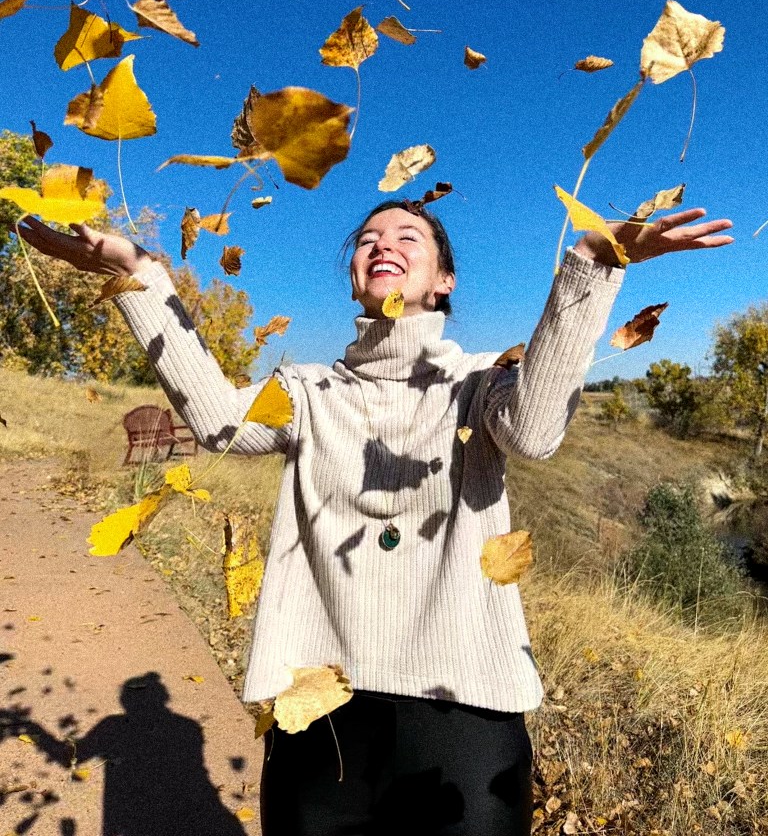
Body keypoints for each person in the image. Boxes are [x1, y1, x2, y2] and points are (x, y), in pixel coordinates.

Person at [19, 201, 732, 836]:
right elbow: (216, 422)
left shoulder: (483, 384)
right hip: (321, 718)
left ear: (443, 281)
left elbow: (535, 431)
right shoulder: (306, 391)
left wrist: (591, 265)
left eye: (407, 235)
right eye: (367, 238)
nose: (382, 243)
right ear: (356, 277)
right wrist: (141, 276)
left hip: (466, 715)